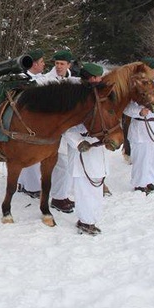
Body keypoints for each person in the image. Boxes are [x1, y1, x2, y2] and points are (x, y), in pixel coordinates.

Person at [63, 63, 107, 235]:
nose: (99, 80)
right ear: (88, 79)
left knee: (96, 185)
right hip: (82, 149)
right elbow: (65, 127)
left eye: (99, 77)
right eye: (95, 78)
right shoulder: (75, 98)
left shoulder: (100, 97)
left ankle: (92, 217)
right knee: (83, 187)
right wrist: (78, 142)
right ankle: (85, 220)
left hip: (97, 148)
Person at [124, 57, 154, 194]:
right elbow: (126, 108)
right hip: (142, 127)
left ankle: (149, 181)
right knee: (142, 158)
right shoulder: (134, 85)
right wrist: (139, 112)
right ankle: (139, 184)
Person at [49, 50, 81, 212]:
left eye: (62, 64)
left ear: (69, 65)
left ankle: (64, 194)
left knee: (70, 163)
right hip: (55, 129)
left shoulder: (73, 80)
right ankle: (57, 198)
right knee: (61, 163)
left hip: (71, 128)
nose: (59, 66)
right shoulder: (48, 80)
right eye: (56, 63)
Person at [17, 49, 47, 198]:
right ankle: (31, 187)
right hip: (26, 120)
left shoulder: (42, 78)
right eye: (41, 62)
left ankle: (24, 183)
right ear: (34, 64)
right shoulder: (22, 79)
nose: (44, 64)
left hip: (37, 119)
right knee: (31, 154)